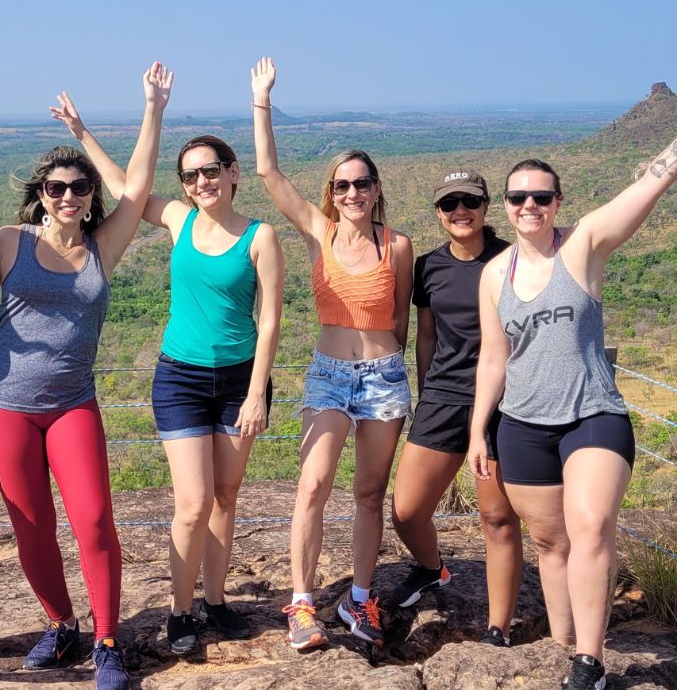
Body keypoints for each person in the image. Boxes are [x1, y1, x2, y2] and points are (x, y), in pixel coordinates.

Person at [0, 63, 172, 688]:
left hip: (71, 403)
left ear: (89, 195)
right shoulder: (10, 241)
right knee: (32, 526)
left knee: (92, 520)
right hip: (1, 404)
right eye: (56, 187)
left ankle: (107, 639)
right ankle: (61, 626)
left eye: (78, 188)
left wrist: (151, 111)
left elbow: (137, 190)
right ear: (40, 194)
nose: (67, 196)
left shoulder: (101, 247)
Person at [63, 96, 284, 656]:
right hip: (181, 378)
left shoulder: (260, 237)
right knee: (192, 502)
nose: (202, 182)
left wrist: (257, 394)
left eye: (212, 170)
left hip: (239, 381)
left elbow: (272, 319)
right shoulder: (179, 220)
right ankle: (180, 610)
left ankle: (215, 600)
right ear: (184, 186)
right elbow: (124, 190)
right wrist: (85, 131)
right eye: (191, 176)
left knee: (226, 497)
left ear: (233, 174)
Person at [468, 136, 677, 690]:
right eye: (517, 197)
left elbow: (646, 189)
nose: (529, 206)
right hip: (523, 423)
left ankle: (590, 660)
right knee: (549, 542)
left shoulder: (582, 247)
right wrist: (477, 432)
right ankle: (563, 648)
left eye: (541, 196)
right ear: (506, 206)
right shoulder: (497, 274)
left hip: (593, 412)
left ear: (559, 202)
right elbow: (493, 358)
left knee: (590, 526)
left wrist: (673, 153)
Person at [250, 57, 413, 651]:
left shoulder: (396, 245)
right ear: (332, 192)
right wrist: (262, 99)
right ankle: (301, 602)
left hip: (384, 377)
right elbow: (268, 173)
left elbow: (397, 321)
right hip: (328, 375)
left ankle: (361, 596)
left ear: (376, 191)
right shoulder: (320, 231)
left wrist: (388, 362)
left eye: (362, 184)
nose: (351, 193)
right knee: (313, 485)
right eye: (341, 185)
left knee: (369, 494)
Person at [389, 167, 523, 645]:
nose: (460, 211)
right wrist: (428, 393)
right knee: (405, 511)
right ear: (439, 214)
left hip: (507, 401)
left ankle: (498, 626)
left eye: (470, 201)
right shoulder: (429, 267)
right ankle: (431, 569)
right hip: (444, 397)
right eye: (449, 204)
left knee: (496, 517)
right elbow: (426, 336)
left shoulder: (514, 259)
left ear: (487, 206)